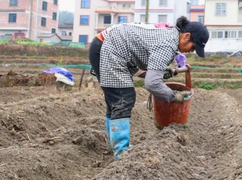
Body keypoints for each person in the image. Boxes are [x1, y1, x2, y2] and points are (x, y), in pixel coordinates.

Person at [88, 16, 209, 159]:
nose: (192, 51)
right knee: (123, 98)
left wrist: (164, 72)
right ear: (186, 36)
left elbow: (147, 68)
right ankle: (121, 152)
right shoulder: (168, 44)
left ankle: (117, 147)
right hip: (108, 48)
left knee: (116, 101)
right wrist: (174, 96)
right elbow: (152, 83)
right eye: (193, 47)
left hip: (104, 45)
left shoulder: (170, 35)